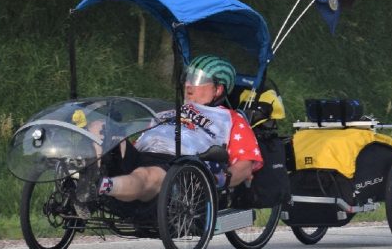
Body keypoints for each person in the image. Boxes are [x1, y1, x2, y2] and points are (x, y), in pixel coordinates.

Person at [75, 55, 263, 208]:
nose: (189, 85)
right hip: (143, 153)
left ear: (218, 89)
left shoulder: (230, 118)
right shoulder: (169, 110)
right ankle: (87, 173)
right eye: (188, 78)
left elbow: (245, 164)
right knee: (102, 125)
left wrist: (221, 179)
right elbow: (142, 138)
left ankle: (100, 186)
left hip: (177, 164)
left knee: (144, 176)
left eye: (198, 80)